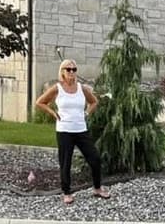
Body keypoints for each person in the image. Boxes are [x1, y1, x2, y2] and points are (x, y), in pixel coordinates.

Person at [34, 60, 109, 206]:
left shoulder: (82, 88)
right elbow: (40, 102)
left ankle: (97, 188)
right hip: (64, 131)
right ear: (62, 71)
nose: (71, 72)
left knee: (95, 159)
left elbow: (94, 102)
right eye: (68, 69)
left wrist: (86, 113)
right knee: (65, 163)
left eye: (74, 69)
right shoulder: (57, 88)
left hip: (81, 129)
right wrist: (53, 113)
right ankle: (67, 192)